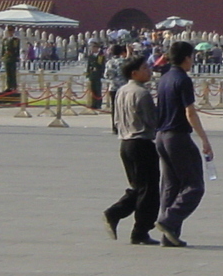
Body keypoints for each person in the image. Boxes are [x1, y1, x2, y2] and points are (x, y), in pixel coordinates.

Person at [154, 40, 213, 247]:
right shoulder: (183, 79)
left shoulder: (164, 78)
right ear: (187, 57)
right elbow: (190, 112)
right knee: (194, 186)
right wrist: (204, 139)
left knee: (170, 186)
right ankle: (168, 220)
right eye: (192, 57)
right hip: (178, 136)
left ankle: (168, 236)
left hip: (161, 136)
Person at [103, 55, 160, 245]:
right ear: (134, 73)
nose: (149, 70)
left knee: (139, 187)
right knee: (149, 190)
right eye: (145, 68)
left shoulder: (121, 91)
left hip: (125, 143)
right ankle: (138, 229)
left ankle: (117, 214)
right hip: (141, 142)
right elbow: (152, 120)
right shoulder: (142, 94)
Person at [85, 43, 106, 112]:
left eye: (94, 48)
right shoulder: (91, 56)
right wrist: (88, 73)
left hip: (98, 75)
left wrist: (101, 73)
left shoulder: (100, 56)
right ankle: (93, 103)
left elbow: (101, 65)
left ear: (97, 48)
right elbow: (88, 65)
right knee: (92, 90)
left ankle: (98, 104)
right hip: (92, 75)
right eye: (92, 48)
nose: (93, 49)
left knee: (98, 90)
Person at [1, 27, 21, 93]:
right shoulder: (5, 40)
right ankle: (8, 86)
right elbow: (3, 49)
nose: (9, 32)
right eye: (8, 31)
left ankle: (14, 87)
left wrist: (16, 57)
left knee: (12, 73)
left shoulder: (16, 40)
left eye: (11, 31)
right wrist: (2, 56)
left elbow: (16, 50)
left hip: (12, 58)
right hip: (6, 58)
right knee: (8, 73)